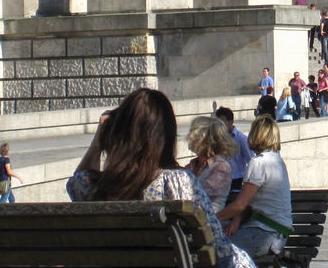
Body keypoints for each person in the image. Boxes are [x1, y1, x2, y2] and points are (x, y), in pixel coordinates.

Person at [68, 89, 254, 268]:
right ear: (166, 136)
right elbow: (219, 249)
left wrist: (101, 135)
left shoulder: (93, 187)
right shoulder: (176, 182)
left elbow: (78, 178)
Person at [217, 115, 293, 260]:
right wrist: (237, 219)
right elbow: (251, 203)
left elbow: (240, 204)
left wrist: (211, 219)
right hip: (276, 232)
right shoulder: (276, 160)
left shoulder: (259, 163)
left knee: (215, 248)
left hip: (265, 233)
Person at [186, 114, 236, 206]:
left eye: (193, 133)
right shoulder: (193, 164)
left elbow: (199, 198)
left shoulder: (221, 167)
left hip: (208, 218)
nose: (189, 137)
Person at [216, 106, 254, 204]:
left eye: (223, 122)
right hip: (219, 180)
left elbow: (251, 160)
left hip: (236, 180)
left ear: (231, 122)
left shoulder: (241, 139)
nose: (220, 126)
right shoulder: (216, 139)